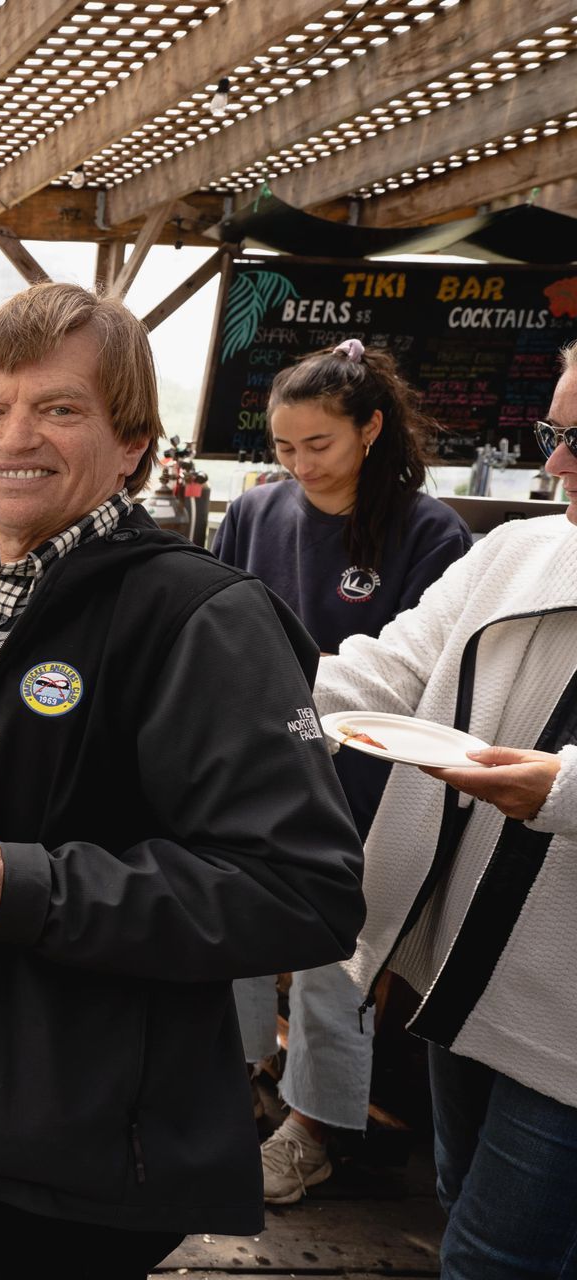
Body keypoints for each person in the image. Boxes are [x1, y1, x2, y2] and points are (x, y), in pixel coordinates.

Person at [0, 283, 365, 1278]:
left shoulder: (199, 615)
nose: (13, 434)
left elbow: (303, 889)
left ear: (134, 447)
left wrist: (29, 888)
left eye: (59, 408)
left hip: (67, 1140)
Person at [312, 344, 577, 1278]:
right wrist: (237, 709)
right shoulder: (518, 552)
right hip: (459, 969)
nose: (554, 465)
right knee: (464, 1204)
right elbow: (384, 668)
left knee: (496, 1258)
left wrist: (562, 791)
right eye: (555, 433)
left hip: (567, 1022)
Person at [214, 338, 473, 1204]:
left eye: (317, 445)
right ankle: (242, 1081)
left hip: (364, 785)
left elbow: (428, 685)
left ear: (370, 428)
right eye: (283, 449)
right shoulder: (256, 513)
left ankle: (315, 1129)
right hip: (249, 770)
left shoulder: (429, 532)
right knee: (231, 930)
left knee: (338, 965)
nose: (298, 466)